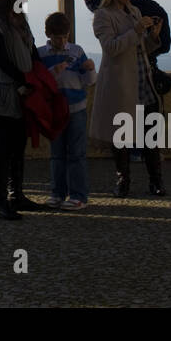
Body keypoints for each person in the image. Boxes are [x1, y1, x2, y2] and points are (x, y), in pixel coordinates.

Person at [89, 0, 167, 197]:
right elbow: (111, 48)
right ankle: (123, 180)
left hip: (144, 80)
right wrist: (136, 30)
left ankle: (156, 180)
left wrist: (153, 37)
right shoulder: (103, 15)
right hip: (121, 82)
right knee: (120, 135)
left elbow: (140, 47)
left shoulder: (134, 11)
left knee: (149, 132)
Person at [0, 0, 41, 221]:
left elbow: (33, 52)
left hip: (23, 92)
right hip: (7, 91)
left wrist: (39, 79)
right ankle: (0, 201)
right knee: (5, 147)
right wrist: (23, 79)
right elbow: (2, 59)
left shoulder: (21, 23)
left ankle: (16, 194)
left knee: (18, 145)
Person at [38, 12, 95, 210]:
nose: (61, 41)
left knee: (76, 153)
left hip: (76, 108)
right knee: (57, 153)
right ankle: (57, 193)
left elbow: (89, 81)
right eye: (57, 37)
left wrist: (90, 68)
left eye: (64, 37)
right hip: (55, 110)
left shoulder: (77, 52)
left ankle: (79, 195)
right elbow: (40, 83)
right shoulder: (41, 54)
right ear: (48, 34)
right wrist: (54, 72)